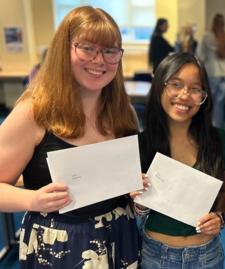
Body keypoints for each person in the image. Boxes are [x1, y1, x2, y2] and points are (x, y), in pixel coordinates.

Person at [0, 6, 141, 268]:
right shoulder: (34, 113)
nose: (99, 60)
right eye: (87, 47)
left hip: (119, 236)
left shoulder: (124, 113)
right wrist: (31, 199)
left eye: (110, 51)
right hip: (59, 246)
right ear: (64, 50)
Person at [132, 52, 225, 269]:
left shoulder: (222, 142)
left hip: (206, 255)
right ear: (160, 86)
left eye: (195, 88)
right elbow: (133, 209)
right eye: (175, 84)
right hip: (155, 253)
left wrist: (219, 216)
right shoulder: (140, 145)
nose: (184, 95)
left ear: (203, 96)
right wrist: (138, 203)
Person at [197, 13, 225, 129]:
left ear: (213, 23)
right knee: (220, 103)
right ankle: (219, 128)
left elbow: (200, 56)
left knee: (210, 103)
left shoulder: (206, 37)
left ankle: (209, 128)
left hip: (212, 73)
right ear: (224, 24)